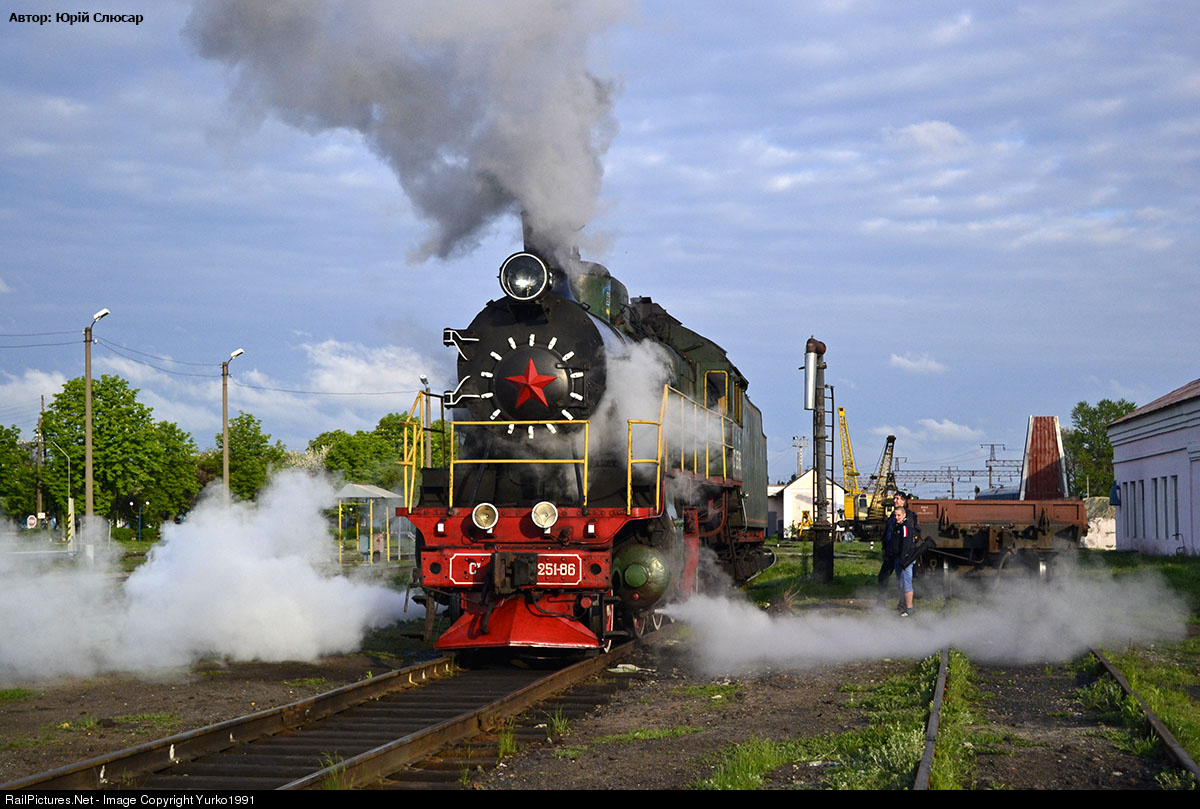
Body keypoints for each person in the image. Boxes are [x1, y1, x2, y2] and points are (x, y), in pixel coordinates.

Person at [881, 491, 920, 616]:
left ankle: (907, 608)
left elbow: (908, 540)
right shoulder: (893, 517)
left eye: (897, 498)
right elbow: (888, 533)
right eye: (894, 498)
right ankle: (886, 604)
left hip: (902, 556)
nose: (894, 501)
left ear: (904, 501)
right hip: (892, 553)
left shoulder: (908, 519)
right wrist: (884, 547)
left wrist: (904, 557)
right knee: (886, 578)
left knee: (905, 582)